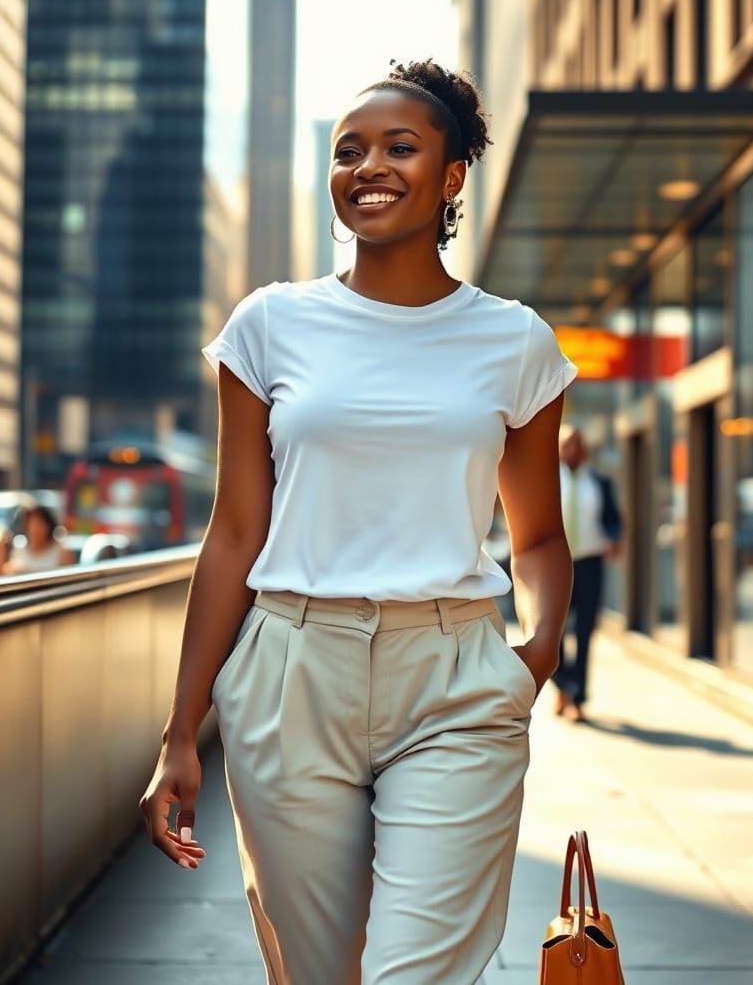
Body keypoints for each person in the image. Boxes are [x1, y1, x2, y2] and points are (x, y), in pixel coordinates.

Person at [139, 59, 578, 985]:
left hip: (456, 681)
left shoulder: (515, 340)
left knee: (416, 972)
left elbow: (537, 535)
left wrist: (534, 655)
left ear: (451, 176)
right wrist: (182, 728)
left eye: (399, 148)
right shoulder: (269, 325)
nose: (368, 166)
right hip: (290, 672)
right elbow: (234, 534)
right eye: (349, 151)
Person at [551, 426, 623, 722]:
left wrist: (614, 539)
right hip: (556, 565)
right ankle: (563, 685)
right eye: (567, 444)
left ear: (585, 451)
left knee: (584, 631)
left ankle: (577, 698)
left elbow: (613, 519)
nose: (573, 450)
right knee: (552, 630)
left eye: (577, 445)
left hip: (590, 563)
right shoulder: (548, 480)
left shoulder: (599, 482)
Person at [0, 504, 73, 574]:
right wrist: (2, 550)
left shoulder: (61, 552)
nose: (35, 529)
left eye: (39, 524)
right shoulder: (19, 550)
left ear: (48, 526)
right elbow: (1, 574)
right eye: (31, 524)